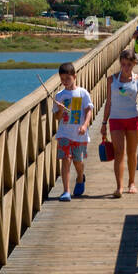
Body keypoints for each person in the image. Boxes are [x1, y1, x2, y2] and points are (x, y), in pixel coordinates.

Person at [100, 48, 138, 197]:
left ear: (134, 64)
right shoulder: (111, 80)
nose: (126, 68)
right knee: (119, 153)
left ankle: (132, 182)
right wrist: (104, 123)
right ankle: (119, 187)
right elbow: (108, 103)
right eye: (123, 64)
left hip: (132, 119)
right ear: (120, 63)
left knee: (132, 153)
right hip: (115, 120)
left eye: (129, 65)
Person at [52, 62, 94, 201]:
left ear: (74, 76)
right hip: (64, 133)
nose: (65, 82)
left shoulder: (82, 93)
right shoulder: (59, 96)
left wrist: (85, 125)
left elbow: (88, 111)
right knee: (66, 160)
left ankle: (80, 178)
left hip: (79, 134)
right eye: (62, 79)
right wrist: (61, 109)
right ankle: (66, 191)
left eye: (67, 79)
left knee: (78, 161)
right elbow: (57, 117)